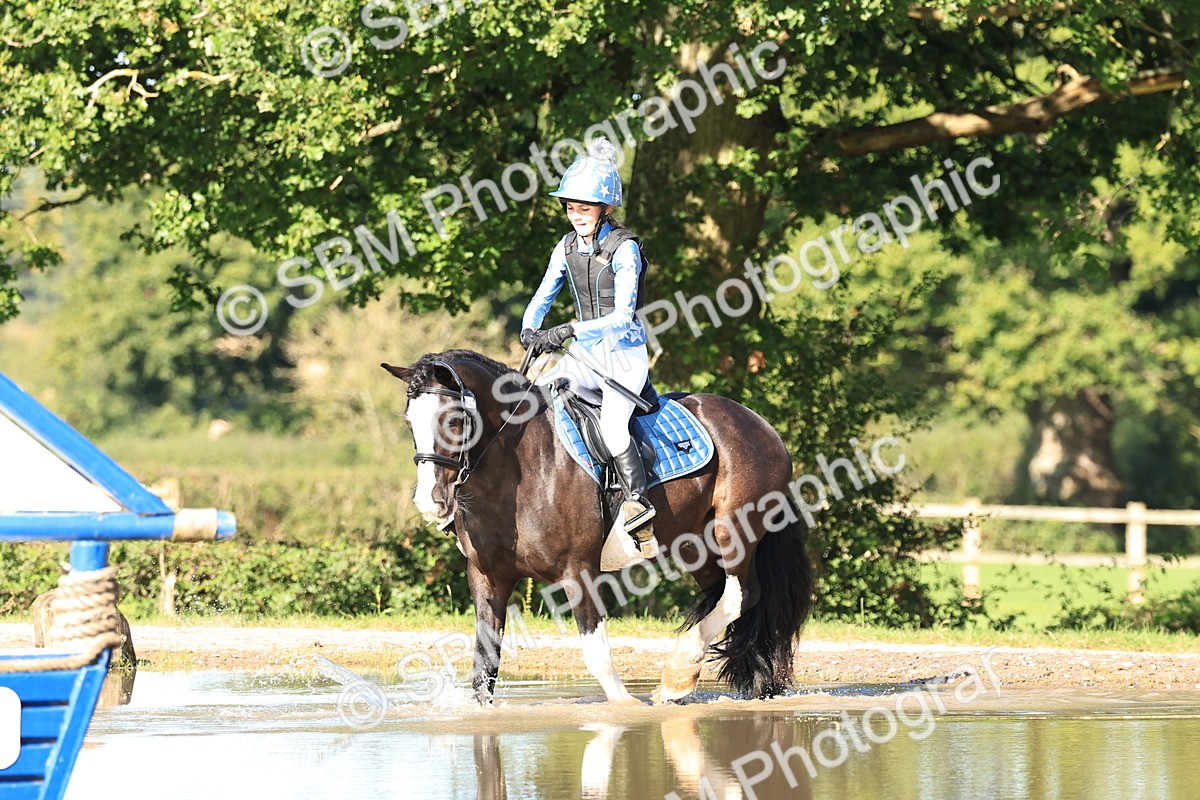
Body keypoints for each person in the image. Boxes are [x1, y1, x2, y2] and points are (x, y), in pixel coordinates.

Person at [520, 137, 659, 558]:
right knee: (534, 400)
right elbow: (544, 294)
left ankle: (639, 504)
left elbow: (621, 316)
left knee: (614, 426)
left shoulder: (626, 249)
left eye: (584, 208)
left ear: (605, 210)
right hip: (584, 356)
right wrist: (529, 327)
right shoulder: (564, 247)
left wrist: (569, 330)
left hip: (623, 355)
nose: (575, 215)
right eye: (570, 207)